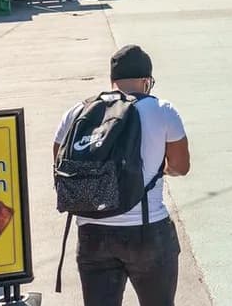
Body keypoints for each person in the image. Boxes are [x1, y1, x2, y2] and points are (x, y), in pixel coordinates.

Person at [54, 45, 190, 306]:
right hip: (147, 231)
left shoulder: (77, 112)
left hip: (92, 231)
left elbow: (60, 164)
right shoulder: (163, 110)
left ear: (112, 81)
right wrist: (156, 168)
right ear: (146, 81)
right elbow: (180, 167)